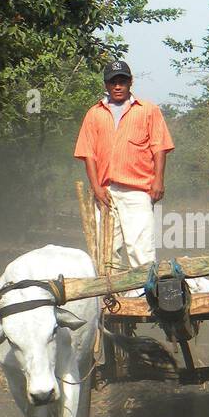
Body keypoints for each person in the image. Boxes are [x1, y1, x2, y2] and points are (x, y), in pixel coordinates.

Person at [74, 60, 174, 287]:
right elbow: (88, 153)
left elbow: (159, 147)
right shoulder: (94, 114)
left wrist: (159, 180)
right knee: (106, 251)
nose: (117, 86)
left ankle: (145, 295)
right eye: (113, 82)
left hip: (138, 190)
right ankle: (112, 298)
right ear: (106, 85)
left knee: (141, 248)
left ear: (130, 82)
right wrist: (97, 187)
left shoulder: (148, 110)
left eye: (122, 81)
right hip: (106, 192)